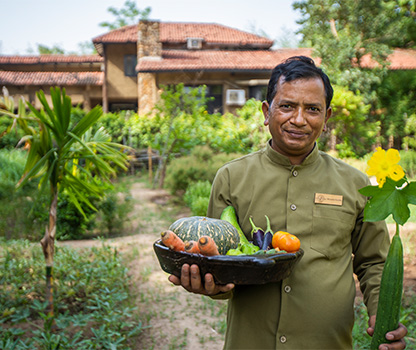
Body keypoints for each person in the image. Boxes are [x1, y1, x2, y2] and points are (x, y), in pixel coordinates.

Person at [168, 56, 407, 349]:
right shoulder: (231, 178)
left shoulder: (354, 184)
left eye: (313, 109)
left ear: (327, 117)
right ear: (267, 112)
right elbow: (220, 261)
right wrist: (211, 284)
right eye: (287, 106)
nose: (299, 119)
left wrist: (381, 316)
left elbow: (374, 262)